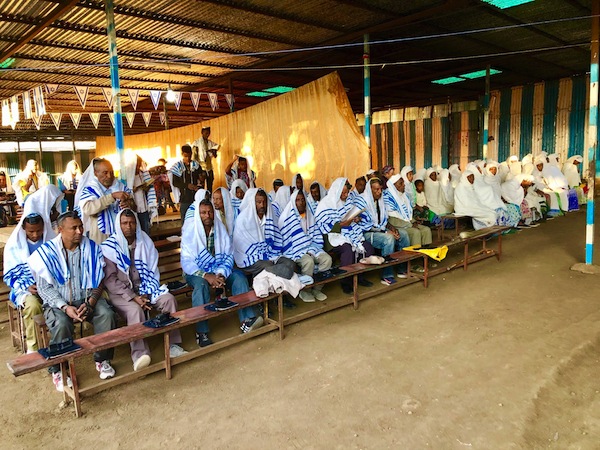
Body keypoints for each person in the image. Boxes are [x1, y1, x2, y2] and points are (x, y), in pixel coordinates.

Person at [28, 211, 117, 391]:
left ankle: (102, 359)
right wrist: (65, 307)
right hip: (59, 303)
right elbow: (45, 290)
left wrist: (91, 301)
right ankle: (59, 369)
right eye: (73, 228)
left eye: (80, 227)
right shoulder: (46, 254)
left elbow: (99, 280)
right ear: (60, 230)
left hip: (86, 299)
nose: (79, 231)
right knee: (61, 324)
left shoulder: (91, 247)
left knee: (106, 314)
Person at [102, 209, 186, 370]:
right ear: (118, 225)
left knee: (168, 300)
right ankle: (140, 354)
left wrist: (146, 293)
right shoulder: (109, 247)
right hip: (122, 294)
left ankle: (173, 345)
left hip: (147, 288)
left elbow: (153, 271)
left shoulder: (144, 241)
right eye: (124, 223)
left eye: (132, 222)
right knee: (135, 310)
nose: (129, 226)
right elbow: (110, 280)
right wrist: (134, 296)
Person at [182, 197, 263, 347]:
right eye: (203, 213)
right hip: (196, 272)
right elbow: (187, 262)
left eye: (210, 212)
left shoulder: (219, 228)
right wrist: (207, 276)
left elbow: (228, 254)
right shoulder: (190, 231)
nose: (207, 216)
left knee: (238, 277)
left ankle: (247, 319)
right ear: (198, 214)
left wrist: (220, 274)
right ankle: (202, 331)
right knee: (201, 286)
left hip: (218, 269)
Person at [3, 185, 63, 352]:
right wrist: (27, 286)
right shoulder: (14, 246)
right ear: (24, 228)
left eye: (38, 230)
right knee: (32, 306)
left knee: (62, 303)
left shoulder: (50, 241)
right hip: (27, 289)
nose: (35, 235)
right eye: (31, 232)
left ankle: (60, 342)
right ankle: (33, 347)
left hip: (50, 286)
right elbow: (10, 274)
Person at [315, 178, 375, 295]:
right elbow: (322, 224)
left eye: (347, 192)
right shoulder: (326, 204)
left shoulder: (347, 201)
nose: (345, 195)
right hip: (332, 236)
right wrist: (341, 225)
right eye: (342, 193)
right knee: (348, 250)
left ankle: (359, 277)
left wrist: (356, 218)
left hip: (349, 232)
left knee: (367, 247)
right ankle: (345, 282)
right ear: (336, 192)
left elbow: (351, 215)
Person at [279, 189, 332, 302]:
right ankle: (305, 290)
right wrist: (304, 251)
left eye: (303, 199)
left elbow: (314, 233)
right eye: (298, 200)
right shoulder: (286, 217)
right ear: (293, 202)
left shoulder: (308, 213)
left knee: (327, 259)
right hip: (294, 250)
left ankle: (317, 288)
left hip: (310, 246)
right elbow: (286, 242)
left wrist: (311, 249)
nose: (301, 202)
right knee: (308, 261)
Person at [233, 188, 296, 279]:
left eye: (264, 202)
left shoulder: (270, 217)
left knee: (290, 263)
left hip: (270, 253)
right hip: (249, 256)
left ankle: (279, 285)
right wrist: (263, 255)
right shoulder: (243, 219)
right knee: (269, 264)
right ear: (253, 203)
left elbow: (276, 238)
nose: (262, 205)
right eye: (258, 202)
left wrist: (268, 252)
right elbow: (243, 246)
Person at [361, 178, 410, 286]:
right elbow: (366, 225)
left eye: (380, 189)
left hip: (380, 230)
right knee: (388, 239)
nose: (379, 192)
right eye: (376, 190)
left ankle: (402, 268)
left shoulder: (380, 200)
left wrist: (393, 229)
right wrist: (386, 232)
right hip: (366, 233)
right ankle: (386, 275)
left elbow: (384, 221)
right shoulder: (363, 201)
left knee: (404, 234)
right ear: (370, 190)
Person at [76, 158, 134, 244]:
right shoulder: (90, 189)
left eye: (111, 172)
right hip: (101, 237)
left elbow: (133, 205)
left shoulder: (120, 186)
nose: (109, 176)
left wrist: (128, 203)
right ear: (96, 173)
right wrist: (112, 197)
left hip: (122, 234)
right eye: (105, 173)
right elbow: (88, 209)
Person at [384, 175, 432, 247]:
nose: (404, 185)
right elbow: (392, 220)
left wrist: (413, 222)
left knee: (426, 230)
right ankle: (415, 255)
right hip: (397, 226)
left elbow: (408, 214)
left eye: (403, 183)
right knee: (415, 232)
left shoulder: (403, 196)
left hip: (407, 223)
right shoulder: (388, 197)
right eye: (401, 183)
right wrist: (410, 225)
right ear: (394, 185)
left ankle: (425, 254)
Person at [127, 155, 158, 235]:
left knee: (146, 230)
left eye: (139, 164)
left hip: (144, 207)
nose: (137, 167)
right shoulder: (128, 176)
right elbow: (127, 190)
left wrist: (146, 187)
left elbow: (147, 189)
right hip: (134, 207)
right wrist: (132, 189)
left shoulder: (142, 174)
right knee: (136, 231)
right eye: (136, 164)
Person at [170, 145, 202, 221]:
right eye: (185, 156)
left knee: (197, 219)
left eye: (189, 156)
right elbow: (175, 183)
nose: (188, 158)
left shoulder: (196, 165)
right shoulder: (177, 166)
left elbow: (201, 178)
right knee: (185, 220)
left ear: (191, 154)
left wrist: (201, 179)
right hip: (184, 198)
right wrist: (187, 185)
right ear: (182, 154)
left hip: (196, 197)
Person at [192, 126, 219, 192]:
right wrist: (197, 169)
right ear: (202, 132)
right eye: (206, 133)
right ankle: (201, 199)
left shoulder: (211, 143)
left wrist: (212, 151)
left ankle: (209, 199)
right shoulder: (196, 143)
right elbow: (194, 157)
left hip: (209, 166)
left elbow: (215, 155)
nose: (207, 135)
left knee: (210, 184)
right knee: (201, 185)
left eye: (208, 133)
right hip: (201, 166)